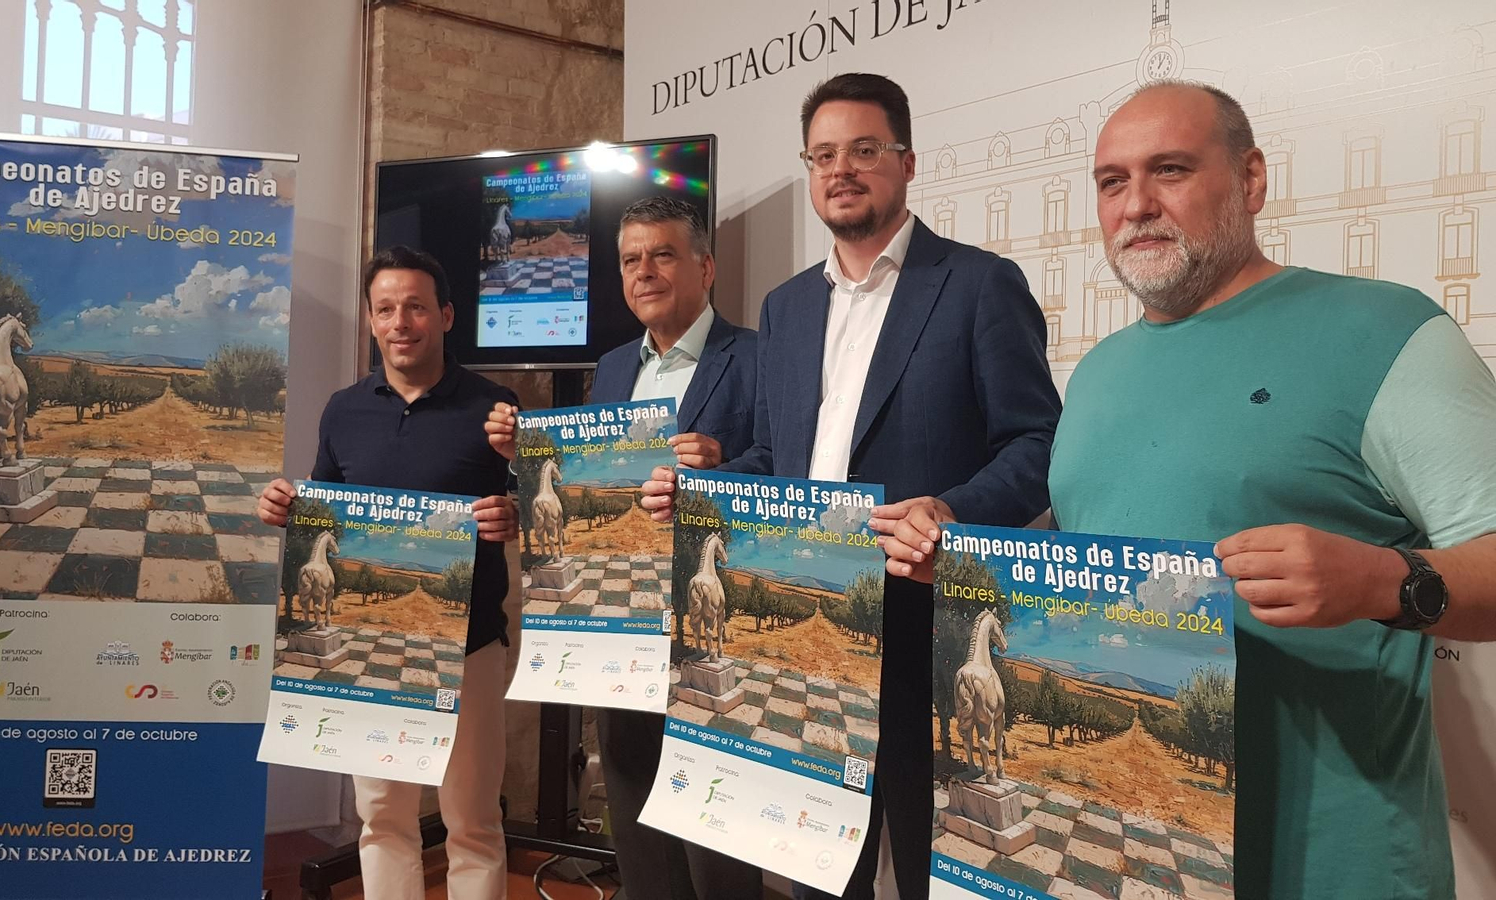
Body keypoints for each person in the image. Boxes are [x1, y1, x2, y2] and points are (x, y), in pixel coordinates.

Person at [1043, 80, 1496, 898]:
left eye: (1170, 170)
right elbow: (1091, 565)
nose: (1136, 205)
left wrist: (1385, 581)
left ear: (1250, 179)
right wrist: (960, 558)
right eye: (1112, 181)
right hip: (1135, 860)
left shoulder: (1386, 331)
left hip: (1337, 869)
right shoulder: (1096, 373)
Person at [640, 73, 1063, 900]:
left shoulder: (978, 284)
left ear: (906, 162)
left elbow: (1037, 442)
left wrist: (954, 511)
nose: (842, 169)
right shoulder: (787, 307)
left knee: (925, 862)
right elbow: (774, 456)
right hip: (816, 629)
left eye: (864, 150)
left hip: (922, 623)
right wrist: (704, 491)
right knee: (816, 866)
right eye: (823, 154)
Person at [486, 196, 762, 900]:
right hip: (619, 619)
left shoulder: (758, 357)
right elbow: (588, 486)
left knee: (715, 830)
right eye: (631, 259)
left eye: (663, 255)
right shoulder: (611, 368)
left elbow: (787, 467)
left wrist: (724, 465)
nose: (645, 272)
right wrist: (527, 461)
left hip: (711, 623)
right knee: (636, 817)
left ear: (705, 267)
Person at [258, 246, 520, 900]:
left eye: (415, 308)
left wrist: (514, 514)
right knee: (382, 822)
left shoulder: (496, 409)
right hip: (367, 648)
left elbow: (539, 506)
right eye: (385, 310)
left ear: (446, 315)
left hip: (470, 648)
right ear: (371, 320)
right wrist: (289, 508)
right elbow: (325, 508)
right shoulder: (343, 410)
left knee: (473, 824)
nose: (401, 323)